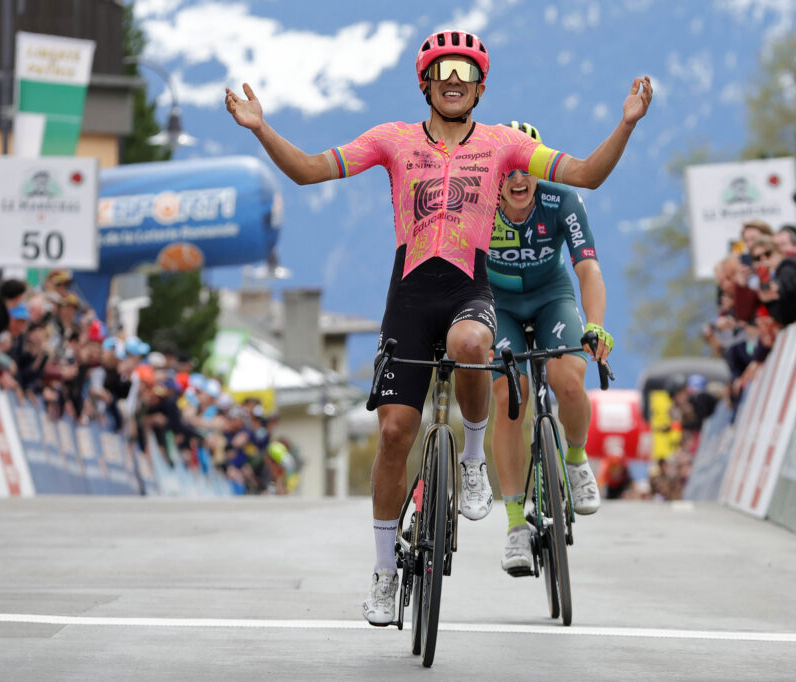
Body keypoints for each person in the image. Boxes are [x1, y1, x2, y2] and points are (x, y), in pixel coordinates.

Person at [225, 29, 652, 626]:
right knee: (394, 433)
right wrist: (261, 128)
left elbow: (584, 173)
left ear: (480, 87)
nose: (454, 83)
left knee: (472, 342)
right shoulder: (392, 140)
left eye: (466, 74)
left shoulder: (504, 145)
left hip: (468, 288)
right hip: (408, 295)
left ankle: (473, 461)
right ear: (425, 84)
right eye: (443, 74)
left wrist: (626, 124)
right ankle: (382, 573)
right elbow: (310, 171)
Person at [485, 121, 613, 576]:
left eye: (529, 167)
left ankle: (575, 459)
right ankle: (515, 524)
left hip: (551, 297)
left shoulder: (562, 200)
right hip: (497, 303)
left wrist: (595, 325)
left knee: (568, 381)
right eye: (509, 169)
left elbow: (588, 269)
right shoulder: (478, 204)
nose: (519, 178)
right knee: (509, 396)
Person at [751, 235, 796, 326]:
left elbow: (788, 281)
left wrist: (777, 287)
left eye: (767, 254)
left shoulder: (790, 265)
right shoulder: (771, 277)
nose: (763, 259)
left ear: (778, 251)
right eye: (757, 258)